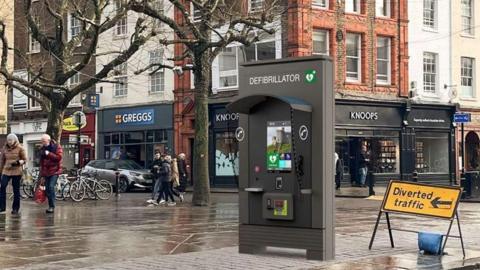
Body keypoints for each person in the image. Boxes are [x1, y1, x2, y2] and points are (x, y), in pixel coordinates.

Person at [0, 134, 26, 215]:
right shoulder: (4, 148)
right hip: (6, 170)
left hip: (16, 170)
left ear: (15, 140)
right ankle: (2, 207)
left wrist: (18, 162)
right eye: (8, 140)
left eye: (11, 140)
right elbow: (2, 160)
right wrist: (0, 171)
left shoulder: (20, 148)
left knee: (16, 190)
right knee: (2, 186)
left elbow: (24, 159)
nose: (9, 142)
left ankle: (15, 208)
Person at [39, 134, 63, 214]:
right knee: (47, 189)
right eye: (42, 141)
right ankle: (50, 205)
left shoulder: (56, 147)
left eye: (44, 141)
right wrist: (42, 175)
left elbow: (59, 157)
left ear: (48, 140)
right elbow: (42, 163)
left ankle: (52, 206)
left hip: (55, 171)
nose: (42, 142)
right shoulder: (42, 149)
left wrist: (48, 153)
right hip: (46, 172)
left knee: (51, 187)